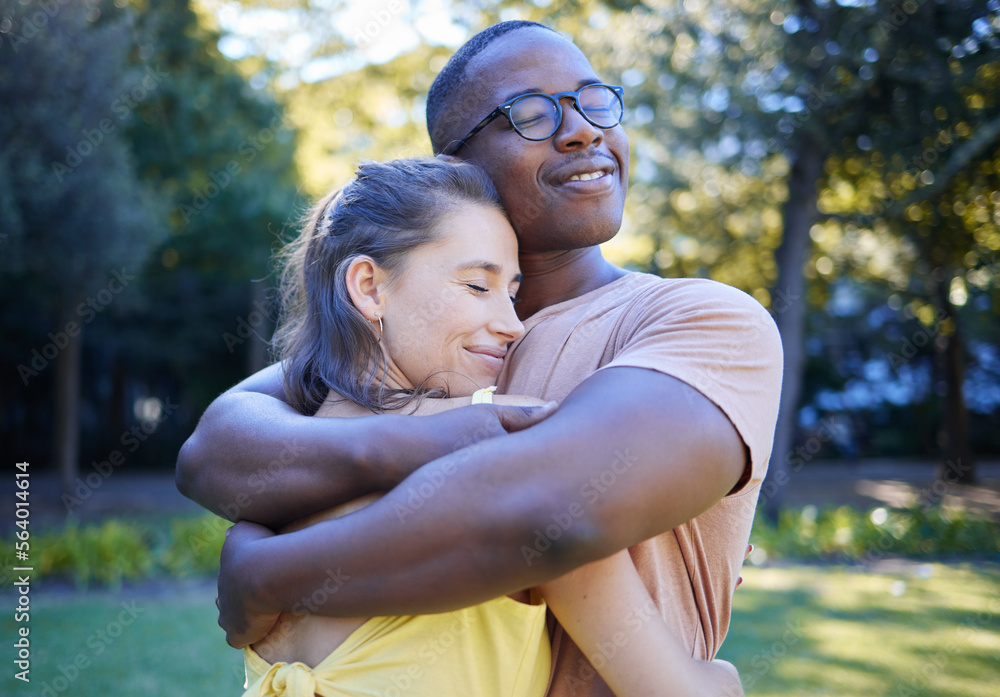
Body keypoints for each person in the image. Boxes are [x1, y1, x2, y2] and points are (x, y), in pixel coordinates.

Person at [177, 20, 783, 696]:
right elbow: (214, 449)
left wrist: (269, 574)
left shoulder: (698, 320)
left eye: (595, 100)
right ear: (456, 166)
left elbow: (554, 512)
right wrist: (441, 436)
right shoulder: (422, 343)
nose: (582, 129)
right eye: (530, 114)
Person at [238, 156, 742, 696]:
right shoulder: (517, 464)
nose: (513, 325)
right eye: (478, 286)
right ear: (369, 287)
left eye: (514, 292)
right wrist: (722, 676)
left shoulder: (263, 484)